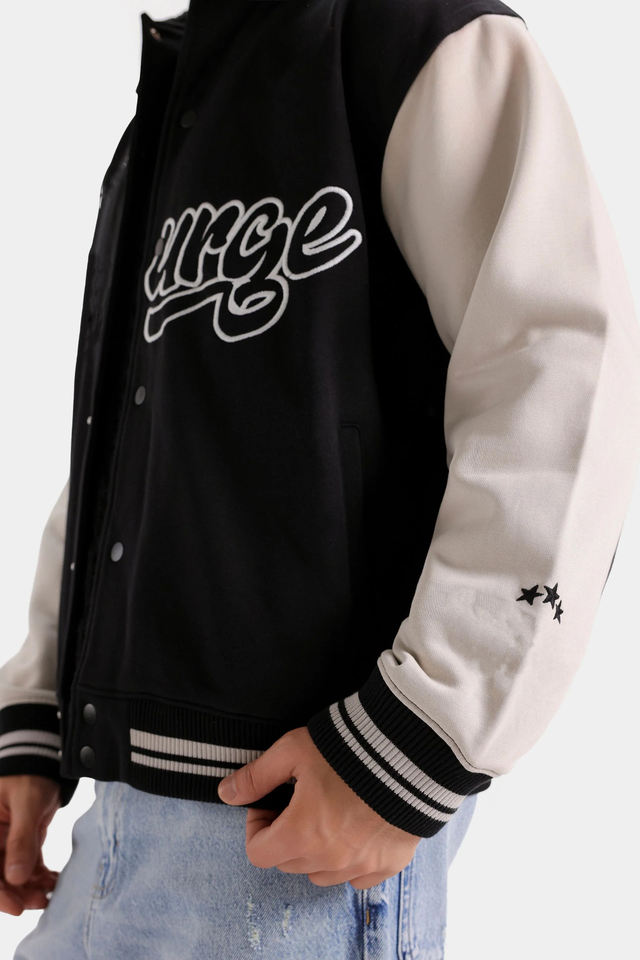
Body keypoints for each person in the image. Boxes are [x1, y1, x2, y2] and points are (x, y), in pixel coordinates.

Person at [2, 0, 640, 957]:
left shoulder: (407, 30)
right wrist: (41, 715)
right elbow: (132, 448)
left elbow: (563, 376)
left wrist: (423, 734)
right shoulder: (180, 91)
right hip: (109, 833)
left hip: (295, 837)